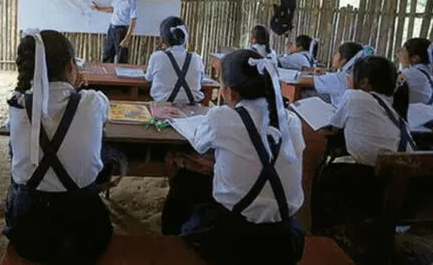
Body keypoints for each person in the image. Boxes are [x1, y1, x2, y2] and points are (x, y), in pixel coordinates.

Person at [175, 50, 305, 264]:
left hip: (236, 240)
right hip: (286, 240)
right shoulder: (290, 120)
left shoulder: (221, 117)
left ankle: (172, 239)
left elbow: (198, 144)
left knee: (187, 179)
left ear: (231, 92)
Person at [4, 30, 113, 264]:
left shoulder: (17, 104)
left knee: (15, 155)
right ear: (71, 65)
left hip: (29, 235)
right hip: (85, 234)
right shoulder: (93, 101)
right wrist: (78, 90)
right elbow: (102, 115)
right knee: (106, 152)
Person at [315, 56, 414, 231]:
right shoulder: (389, 104)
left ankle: (323, 230)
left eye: (350, 74)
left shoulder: (354, 96)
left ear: (364, 83)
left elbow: (334, 127)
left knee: (321, 171)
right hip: (407, 183)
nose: (347, 78)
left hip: (373, 181)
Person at [145, 17, 204, 104]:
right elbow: (201, 80)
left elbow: (148, 78)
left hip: (162, 107)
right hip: (192, 108)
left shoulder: (156, 57)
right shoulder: (197, 58)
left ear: (163, 38)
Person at [297, 42, 370, 106]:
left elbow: (300, 80)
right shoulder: (353, 76)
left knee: (303, 94)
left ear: (343, 60)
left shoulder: (338, 78)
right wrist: (325, 74)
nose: (333, 56)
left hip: (335, 115)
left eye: (336, 54)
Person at [91, 0, 138, 64]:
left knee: (121, 58)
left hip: (121, 31)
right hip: (112, 29)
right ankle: (107, 76)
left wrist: (127, 38)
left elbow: (133, 21)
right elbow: (112, 9)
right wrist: (98, 8)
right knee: (107, 54)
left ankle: (121, 76)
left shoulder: (132, 1)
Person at [398, 38, 433, 104]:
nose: (399, 56)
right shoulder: (428, 75)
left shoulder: (409, 75)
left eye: (402, 51)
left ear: (415, 58)